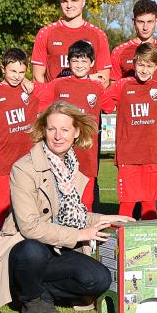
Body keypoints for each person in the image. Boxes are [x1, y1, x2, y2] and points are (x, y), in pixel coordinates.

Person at [0, 101, 133, 313]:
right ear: (43, 131)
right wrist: (78, 235)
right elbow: (29, 226)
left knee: (99, 280)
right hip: (24, 246)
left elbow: (70, 214)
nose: (58, 136)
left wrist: (103, 219)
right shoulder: (24, 168)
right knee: (33, 250)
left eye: (65, 129)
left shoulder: (70, 165)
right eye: (52, 129)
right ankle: (31, 298)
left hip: (57, 247)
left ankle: (41, 292)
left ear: (76, 132)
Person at [109, 0, 157, 215]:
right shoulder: (121, 52)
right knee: (130, 193)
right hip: (131, 137)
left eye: (150, 21)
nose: (145, 26)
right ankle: (128, 236)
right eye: (141, 22)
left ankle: (154, 231)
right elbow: (114, 90)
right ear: (134, 22)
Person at [100, 42, 157, 219]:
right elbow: (105, 104)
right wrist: (97, 85)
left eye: (149, 66)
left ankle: (150, 243)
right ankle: (123, 245)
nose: (144, 70)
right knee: (127, 204)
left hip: (151, 155)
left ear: (156, 67)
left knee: (149, 204)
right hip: (128, 154)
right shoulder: (122, 86)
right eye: (141, 64)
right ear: (134, 62)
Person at [38, 40, 105, 211]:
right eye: (75, 60)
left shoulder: (98, 87)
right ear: (69, 62)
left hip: (88, 153)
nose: (79, 65)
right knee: (61, 199)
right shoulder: (58, 84)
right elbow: (41, 109)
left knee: (87, 199)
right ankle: (63, 237)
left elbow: (111, 105)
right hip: (61, 153)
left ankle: (88, 237)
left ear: (92, 63)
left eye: (84, 61)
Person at [0, 48, 39, 235]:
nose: (17, 76)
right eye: (13, 71)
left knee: (29, 208)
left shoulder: (31, 90)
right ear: (2, 69)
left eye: (22, 72)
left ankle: (25, 250)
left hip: (28, 163)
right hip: (3, 161)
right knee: (2, 209)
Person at [31, 0, 112, 85]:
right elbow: (37, 78)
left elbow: (103, 79)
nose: (69, 5)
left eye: (74, 0)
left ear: (83, 2)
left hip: (86, 98)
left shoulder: (98, 35)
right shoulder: (45, 33)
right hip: (55, 100)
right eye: (64, 1)